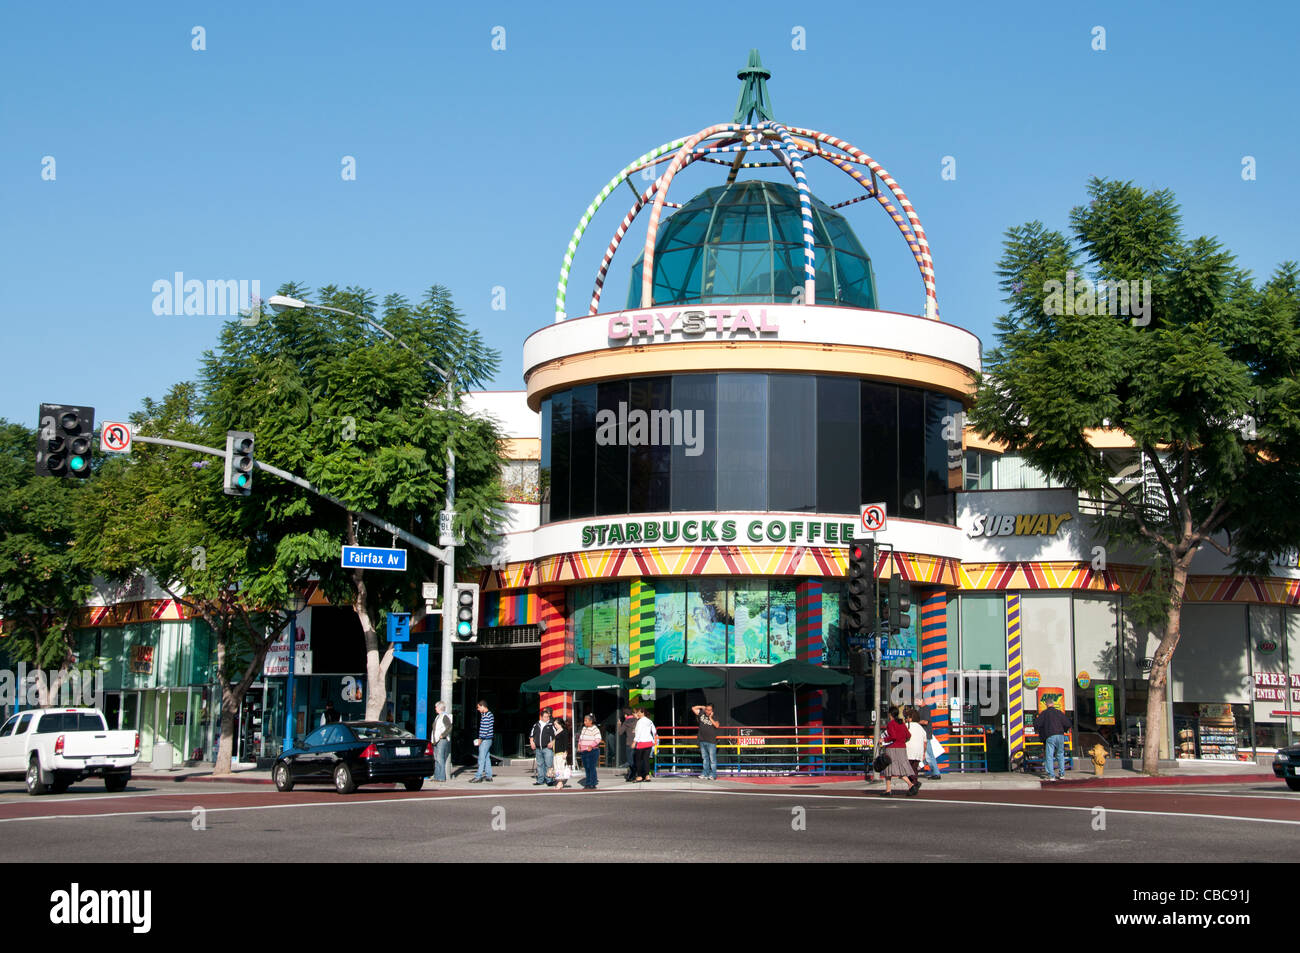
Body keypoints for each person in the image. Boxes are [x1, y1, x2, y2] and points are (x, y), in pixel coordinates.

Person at [881, 706, 920, 797]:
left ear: (890, 714)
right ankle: (910, 785)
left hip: (893, 748)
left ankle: (889, 789)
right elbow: (908, 735)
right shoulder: (902, 723)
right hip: (902, 748)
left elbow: (893, 737)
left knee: (888, 769)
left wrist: (883, 740)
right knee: (901, 769)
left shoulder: (891, 724)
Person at [1035, 703, 1072, 781]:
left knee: (1049, 756)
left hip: (1050, 735)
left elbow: (1037, 724)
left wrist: (1042, 731)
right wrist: (1063, 729)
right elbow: (1068, 723)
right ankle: (1062, 774)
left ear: (1046, 704)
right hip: (1060, 735)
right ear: (1053, 704)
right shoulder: (1059, 712)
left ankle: (1051, 776)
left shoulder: (1044, 713)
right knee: (1060, 754)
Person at [529, 707, 557, 786]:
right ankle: (540, 780)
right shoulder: (536, 725)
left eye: (548, 716)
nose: (547, 718)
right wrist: (532, 742)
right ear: (541, 717)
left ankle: (549, 780)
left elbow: (557, 735)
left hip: (547, 748)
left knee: (548, 764)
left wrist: (552, 742)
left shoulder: (551, 725)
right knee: (540, 764)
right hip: (538, 748)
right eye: (545, 717)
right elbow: (531, 735)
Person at [691, 703, 719, 781]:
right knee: (705, 758)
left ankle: (713, 775)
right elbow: (693, 708)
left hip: (711, 741)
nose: (707, 711)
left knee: (712, 759)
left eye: (709, 710)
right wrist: (701, 707)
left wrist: (710, 718)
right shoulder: (702, 713)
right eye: (706, 709)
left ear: (712, 710)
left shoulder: (715, 716)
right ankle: (705, 773)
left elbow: (717, 725)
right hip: (702, 740)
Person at [469, 700, 494, 783]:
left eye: (479, 707)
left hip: (485, 740)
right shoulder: (489, 715)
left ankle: (478, 776)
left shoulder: (486, 716)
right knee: (486, 757)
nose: (478, 709)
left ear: (483, 706)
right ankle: (489, 776)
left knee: (481, 758)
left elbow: (485, 729)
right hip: (488, 739)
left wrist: (480, 739)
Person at [632, 707, 657, 782]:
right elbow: (654, 731)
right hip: (649, 742)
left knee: (638, 760)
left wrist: (634, 742)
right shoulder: (649, 721)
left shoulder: (640, 722)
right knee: (646, 759)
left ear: (643, 713)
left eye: (639, 712)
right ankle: (647, 775)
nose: (637, 714)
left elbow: (638, 733)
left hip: (641, 742)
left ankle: (639, 776)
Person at [917, 705, 942, 780]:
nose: (916, 702)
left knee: (929, 755)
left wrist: (915, 722)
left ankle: (936, 773)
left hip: (926, 735)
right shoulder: (921, 709)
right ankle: (934, 772)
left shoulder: (926, 709)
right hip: (923, 735)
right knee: (926, 754)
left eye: (917, 700)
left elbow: (925, 722)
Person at [577, 714, 602, 789]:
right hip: (584, 751)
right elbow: (581, 738)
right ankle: (587, 783)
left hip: (592, 751)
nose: (584, 722)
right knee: (586, 767)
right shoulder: (584, 728)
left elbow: (598, 739)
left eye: (586, 720)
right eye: (584, 720)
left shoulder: (595, 729)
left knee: (591, 767)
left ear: (591, 721)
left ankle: (592, 783)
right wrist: (579, 746)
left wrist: (591, 746)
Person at [431, 700, 452, 782]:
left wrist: (442, 735)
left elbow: (449, 727)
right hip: (436, 740)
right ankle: (437, 776)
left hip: (442, 740)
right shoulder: (438, 716)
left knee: (440, 758)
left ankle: (441, 777)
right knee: (436, 758)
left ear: (439, 707)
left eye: (436, 707)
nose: (435, 708)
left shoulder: (444, 716)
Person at [905, 707, 926, 779]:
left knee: (908, 770)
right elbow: (925, 742)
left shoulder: (907, 726)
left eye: (907, 717)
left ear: (910, 718)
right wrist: (923, 753)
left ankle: (913, 785)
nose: (906, 719)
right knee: (914, 769)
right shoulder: (921, 728)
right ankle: (914, 784)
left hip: (908, 751)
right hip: (918, 752)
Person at [552, 717, 572, 789]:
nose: (555, 725)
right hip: (556, 753)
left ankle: (560, 783)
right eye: (554, 724)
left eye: (556, 724)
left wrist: (565, 752)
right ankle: (559, 782)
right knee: (557, 768)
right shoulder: (557, 731)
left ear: (560, 724)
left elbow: (566, 743)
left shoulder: (564, 731)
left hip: (561, 753)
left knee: (560, 768)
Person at [621, 708, 639, 782]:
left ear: (625, 715)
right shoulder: (637, 721)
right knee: (635, 759)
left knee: (630, 760)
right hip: (637, 743)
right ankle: (634, 774)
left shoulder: (626, 722)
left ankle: (633, 774)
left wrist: (619, 725)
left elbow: (620, 732)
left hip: (629, 743)